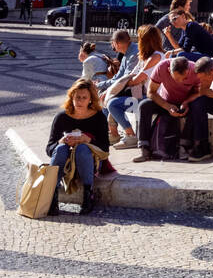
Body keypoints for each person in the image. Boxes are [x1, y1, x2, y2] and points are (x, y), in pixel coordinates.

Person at [44, 79, 110, 216]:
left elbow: (105, 148)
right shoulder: (61, 117)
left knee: (82, 149)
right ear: (71, 97)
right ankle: (52, 197)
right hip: (66, 163)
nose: (80, 101)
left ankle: (88, 196)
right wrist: (61, 141)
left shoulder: (99, 117)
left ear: (90, 100)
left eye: (84, 98)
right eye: (77, 97)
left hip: (90, 161)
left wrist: (89, 140)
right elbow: (49, 149)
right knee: (61, 149)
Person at [134, 56, 208, 163]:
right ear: (169, 70)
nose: (180, 81)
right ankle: (144, 148)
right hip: (165, 102)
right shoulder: (161, 67)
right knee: (144, 105)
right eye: (177, 78)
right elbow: (151, 92)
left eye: (184, 78)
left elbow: (199, 92)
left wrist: (186, 102)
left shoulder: (195, 70)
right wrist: (167, 106)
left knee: (198, 104)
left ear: (188, 70)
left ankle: (186, 145)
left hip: (184, 104)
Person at [107, 24, 164, 148]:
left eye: (140, 38)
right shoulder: (147, 56)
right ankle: (121, 133)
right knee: (112, 100)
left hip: (155, 99)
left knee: (113, 104)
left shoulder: (155, 57)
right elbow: (131, 76)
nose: (137, 42)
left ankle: (131, 136)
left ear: (146, 40)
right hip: (146, 95)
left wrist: (123, 82)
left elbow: (134, 80)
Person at [100, 29, 139, 144]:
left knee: (110, 100)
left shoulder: (134, 54)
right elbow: (118, 77)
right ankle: (113, 132)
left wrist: (107, 89)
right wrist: (101, 85)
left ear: (116, 43)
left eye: (112, 43)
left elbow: (125, 79)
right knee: (103, 93)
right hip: (129, 88)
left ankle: (127, 134)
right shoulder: (127, 53)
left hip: (137, 91)